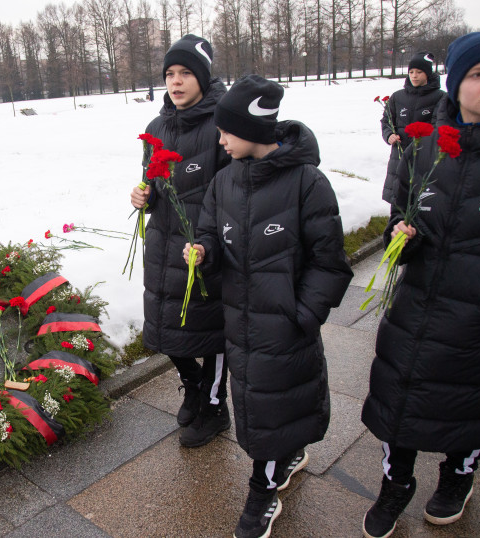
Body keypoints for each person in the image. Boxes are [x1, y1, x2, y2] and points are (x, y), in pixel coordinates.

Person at [361, 32, 480, 538]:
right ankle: (395, 484)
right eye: (478, 74)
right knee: (398, 401)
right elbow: (403, 210)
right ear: (457, 85)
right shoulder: (426, 145)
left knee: (472, 408)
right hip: (417, 307)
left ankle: (456, 478)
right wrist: (402, 235)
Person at [183, 74, 353, 538]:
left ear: (254, 132)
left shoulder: (307, 183)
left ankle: (263, 492)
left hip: (286, 328)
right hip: (239, 323)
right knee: (260, 407)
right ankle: (287, 454)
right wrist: (203, 252)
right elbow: (208, 234)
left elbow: (331, 264)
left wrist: (302, 315)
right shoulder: (223, 182)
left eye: (225, 131)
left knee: (275, 405)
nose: (218, 140)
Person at [130, 34, 231, 448]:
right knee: (165, 328)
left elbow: (232, 191)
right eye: (170, 74)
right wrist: (144, 195)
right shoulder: (157, 126)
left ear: (204, 78)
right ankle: (193, 385)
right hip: (165, 244)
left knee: (214, 333)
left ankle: (215, 408)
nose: (176, 81)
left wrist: (212, 243)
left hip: (206, 248)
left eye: (186, 73)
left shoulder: (222, 124)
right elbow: (151, 180)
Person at [380, 51, 446, 204]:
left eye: (419, 72)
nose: (414, 75)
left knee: (420, 203)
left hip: (425, 157)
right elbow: (386, 121)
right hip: (399, 158)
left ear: (428, 73)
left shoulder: (440, 97)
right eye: (411, 72)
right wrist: (389, 135)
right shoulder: (397, 97)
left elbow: (439, 125)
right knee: (398, 203)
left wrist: (424, 140)